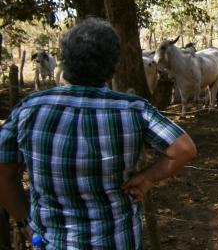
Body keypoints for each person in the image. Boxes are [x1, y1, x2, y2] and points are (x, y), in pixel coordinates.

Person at [0, 17, 197, 249]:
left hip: (52, 242)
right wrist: (148, 177)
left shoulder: (29, 108)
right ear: (113, 65)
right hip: (117, 241)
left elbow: (4, 173)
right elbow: (184, 149)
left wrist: (24, 220)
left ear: (64, 61)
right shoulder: (133, 109)